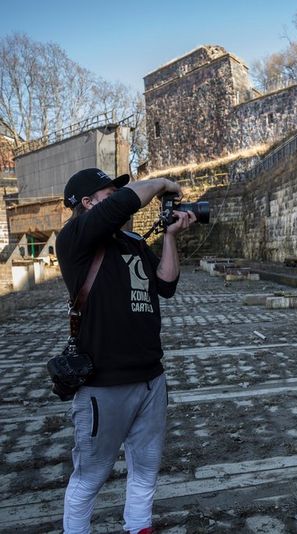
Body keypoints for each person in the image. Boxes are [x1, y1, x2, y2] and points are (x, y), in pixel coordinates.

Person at [56, 168, 196, 533]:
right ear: (87, 203)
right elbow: (123, 203)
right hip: (104, 383)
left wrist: (170, 237)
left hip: (151, 378)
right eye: (108, 193)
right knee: (90, 476)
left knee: (146, 470)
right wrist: (163, 184)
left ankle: (139, 527)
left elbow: (165, 285)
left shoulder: (132, 241)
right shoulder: (75, 239)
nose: (119, 196)